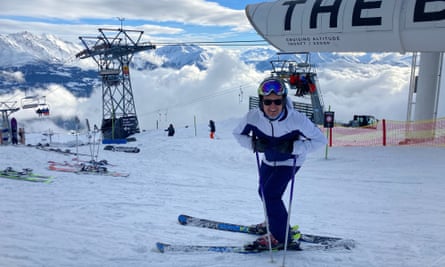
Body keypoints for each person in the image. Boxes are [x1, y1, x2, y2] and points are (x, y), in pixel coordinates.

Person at [233, 77, 327, 250]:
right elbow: (237, 134)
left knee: (271, 194)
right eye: (268, 102)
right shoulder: (253, 117)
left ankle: (280, 237)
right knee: (262, 191)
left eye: (277, 101)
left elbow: (320, 140)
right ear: (262, 101)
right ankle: (274, 221)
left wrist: (294, 147)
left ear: (283, 100)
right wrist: (253, 144)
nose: (273, 106)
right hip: (269, 159)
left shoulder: (296, 119)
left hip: (290, 161)